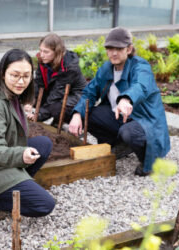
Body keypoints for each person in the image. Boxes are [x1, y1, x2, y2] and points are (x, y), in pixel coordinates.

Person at [0, 49, 55, 222]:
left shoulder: (13, 97)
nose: (21, 81)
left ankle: (14, 184)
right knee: (44, 204)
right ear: (2, 74)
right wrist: (21, 154)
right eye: (15, 75)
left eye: (26, 76)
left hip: (1, 160)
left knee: (43, 144)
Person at [68, 27, 170, 176]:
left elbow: (140, 86)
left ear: (129, 49)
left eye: (119, 48)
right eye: (110, 48)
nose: (113, 53)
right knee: (89, 114)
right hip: (121, 117)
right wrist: (77, 114)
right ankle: (120, 145)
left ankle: (151, 161)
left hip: (145, 120)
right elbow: (89, 92)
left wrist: (126, 99)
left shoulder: (141, 67)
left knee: (128, 132)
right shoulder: (106, 68)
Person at [24, 33, 86, 125]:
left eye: (46, 52)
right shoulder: (44, 61)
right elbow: (38, 84)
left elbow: (56, 94)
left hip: (76, 96)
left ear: (57, 52)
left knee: (56, 108)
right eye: (40, 50)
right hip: (57, 92)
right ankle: (56, 121)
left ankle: (66, 123)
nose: (41, 55)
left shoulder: (69, 68)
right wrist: (31, 101)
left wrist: (38, 115)